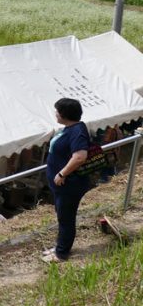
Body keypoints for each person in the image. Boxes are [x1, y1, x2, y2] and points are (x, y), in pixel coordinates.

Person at [44, 97, 92, 263]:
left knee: (66, 218)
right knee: (62, 216)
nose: (55, 113)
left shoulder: (77, 131)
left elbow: (80, 157)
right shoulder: (71, 128)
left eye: (57, 111)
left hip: (69, 185)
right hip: (62, 187)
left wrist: (62, 174)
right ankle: (60, 246)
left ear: (64, 114)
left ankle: (61, 253)